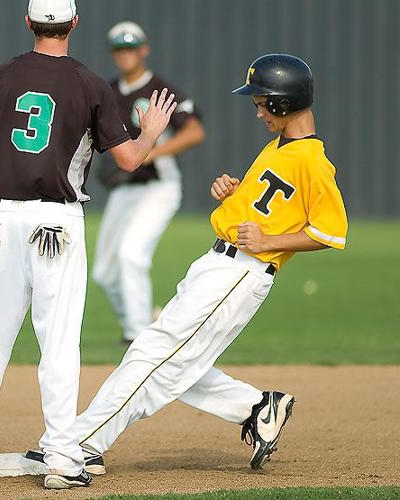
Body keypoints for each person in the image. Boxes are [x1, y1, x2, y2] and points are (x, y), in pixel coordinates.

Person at [26, 53, 348, 475]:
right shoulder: (279, 147)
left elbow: (330, 232)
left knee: (153, 353)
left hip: (242, 272)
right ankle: (258, 407)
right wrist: (232, 193)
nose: (257, 110)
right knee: (176, 360)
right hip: (218, 264)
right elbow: (270, 205)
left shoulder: (312, 159)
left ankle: (81, 441)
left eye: (260, 102)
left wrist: (272, 240)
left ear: (283, 103)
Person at [0, 0, 177, 490]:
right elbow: (129, 160)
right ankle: (63, 460)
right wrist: (149, 132)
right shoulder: (91, 84)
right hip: (56, 226)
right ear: (74, 24)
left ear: (28, 23)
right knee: (59, 347)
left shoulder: (0, 76)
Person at [93, 21, 205, 344]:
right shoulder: (109, 91)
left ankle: (138, 337)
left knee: (132, 256)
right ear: (113, 54)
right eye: (119, 48)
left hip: (160, 187)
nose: (125, 53)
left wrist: (151, 152)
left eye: (131, 47)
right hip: (124, 189)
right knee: (103, 272)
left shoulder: (159, 90)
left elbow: (195, 131)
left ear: (144, 50)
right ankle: (142, 317)